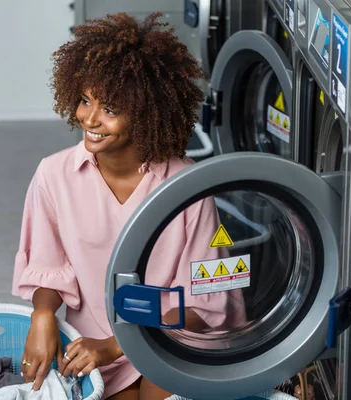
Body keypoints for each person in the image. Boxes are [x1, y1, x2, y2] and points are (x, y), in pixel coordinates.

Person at [12, 12, 245, 400]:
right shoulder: (53, 175)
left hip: (174, 337)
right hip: (90, 344)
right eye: (85, 101)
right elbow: (49, 268)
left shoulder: (187, 186)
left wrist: (119, 344)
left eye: (111, 109)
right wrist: (42, 315)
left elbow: (211, 300)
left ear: (147, 111)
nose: (90, 118)